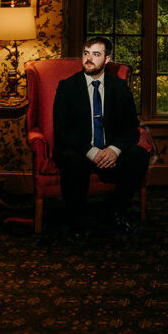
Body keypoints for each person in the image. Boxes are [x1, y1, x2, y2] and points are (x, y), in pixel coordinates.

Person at [53, 36, 149, 241]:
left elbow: (131, 128)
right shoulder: (67, 87)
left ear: (107, 59)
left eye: (96, 54)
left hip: (109, 149)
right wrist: (92, 151)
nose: (89, 59)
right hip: (80, 150)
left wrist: (114, 150)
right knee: (71, 160)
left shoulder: (119, 87)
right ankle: (76, 221)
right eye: (86, 53)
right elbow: (62, 131)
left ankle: (115, 211)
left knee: (138, 155)